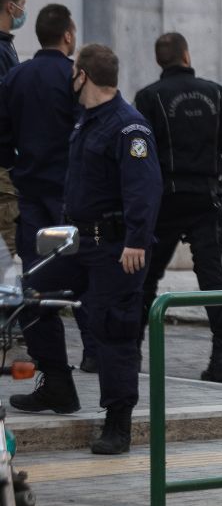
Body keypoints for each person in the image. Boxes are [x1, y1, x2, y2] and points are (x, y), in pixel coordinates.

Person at [56, 44, 161, 453]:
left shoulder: (127, 126)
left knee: (115, 331)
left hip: (116, 248)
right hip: (79, 242)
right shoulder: (89, 121)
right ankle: (54, 384)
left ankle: (118, 423)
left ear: (83, 75)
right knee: (34, 298)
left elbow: (144, 187)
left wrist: (136, 239)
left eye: (73, 73)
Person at [135, 33, 222, 382]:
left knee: (147, 277)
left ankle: (133, 351)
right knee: (212, 277)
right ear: (186, 55)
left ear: (161, 60)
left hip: (165, 199)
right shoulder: (215, 93)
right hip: (206, 198)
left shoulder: (148, 97)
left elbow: (139, 148)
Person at [0, 4, 99, 409]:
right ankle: (96, 355)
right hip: (70, 200)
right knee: (86, 279)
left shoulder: (16, 76)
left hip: (32, 200)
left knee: (36, 289)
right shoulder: (75, 78)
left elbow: (3, 138)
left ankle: (56, 379)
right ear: (69, 36)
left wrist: (22, 164)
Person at [0, 0, 27, 259]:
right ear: (10, 7)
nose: (23, 12)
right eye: (22, 6)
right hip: (3, 165)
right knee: (5, 256)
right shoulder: (1, 50)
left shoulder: (6, 46)